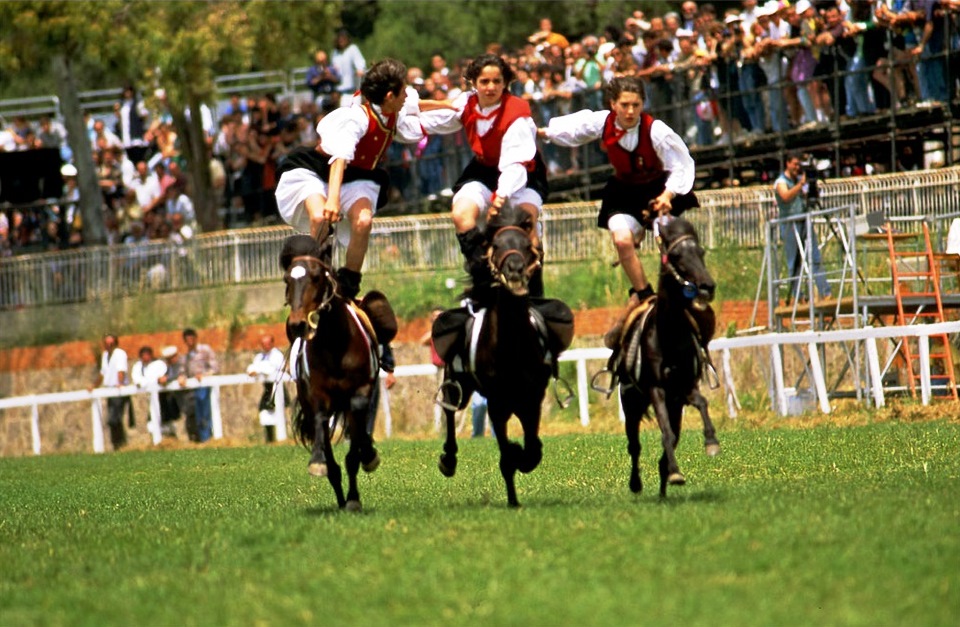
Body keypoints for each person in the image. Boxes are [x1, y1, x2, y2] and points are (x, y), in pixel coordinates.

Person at [536, 76, 698, 347]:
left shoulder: (656, 130)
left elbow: (680, 163)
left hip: (659, 190)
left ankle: (680, 293)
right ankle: (643, 294)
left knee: (668, 242)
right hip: (624, 191)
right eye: (625, 105)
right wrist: (541, 133)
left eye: (636, 104)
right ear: (613, 104)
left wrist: (668, 195)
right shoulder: (603, 122)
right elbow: (576, 129)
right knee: (622, 240)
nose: (631, 111)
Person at [275, 58, 429, 302]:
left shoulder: (394, 112)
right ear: (389, 96)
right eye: (402, 92)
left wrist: (461, 106)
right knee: (319, 217)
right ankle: (311, 279)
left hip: (358, 177)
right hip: (318, 171)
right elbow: (339, 160)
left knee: (364, 221)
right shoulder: (357, 118)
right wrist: (332, 201)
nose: (406, 97)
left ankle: (348, 286)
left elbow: (421, 106)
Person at [418, 53, 550, 304]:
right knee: (461, 214)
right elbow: (430, 122)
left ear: (505, 83)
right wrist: (394, 116)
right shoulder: (465, 104)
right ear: (473, 83)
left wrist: (501, 196)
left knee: (526, 221)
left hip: (522, 173)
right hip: (484, 170)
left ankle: (535, 297)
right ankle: (483, 280)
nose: (490, 87)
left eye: (496, 81)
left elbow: (515, 163)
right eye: (484, 81)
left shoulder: (517, 112)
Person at [774, 153, 832, 304]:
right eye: (795, 164)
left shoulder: (800, 180)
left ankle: (825, 292)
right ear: (787, 164)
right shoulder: (781, 181)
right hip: (789, 224)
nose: (797, 167)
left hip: (804, 221)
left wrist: (812, 186)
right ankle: (798, 296)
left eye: (799, 164)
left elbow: (810, 196)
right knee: (794, 262)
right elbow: (785, 196)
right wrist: (801, 185)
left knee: (815, 257)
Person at [178, 328, 219, 443]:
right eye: (187, 340)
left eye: (191, 338)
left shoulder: (205, 350)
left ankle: (207, 437)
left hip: (204, 385)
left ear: (196, 338)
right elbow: (183, 371)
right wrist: (181, 377)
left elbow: (215, 368)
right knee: (194, 413)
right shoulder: (185, 356)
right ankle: (199, 438)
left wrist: (204, 375)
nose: (190, 341)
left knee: (205, 411)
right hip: (192, 388)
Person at [91, 334, 129, 450]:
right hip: (109, 390)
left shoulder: (120, 354)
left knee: (115, 418)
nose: (108, 346)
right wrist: (94, 386)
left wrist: (120, 383)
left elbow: (121, 370)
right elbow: (103, 373)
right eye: (106, 343)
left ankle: (120, 444)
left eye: (111, 343)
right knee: (112, 419)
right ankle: (117, 445)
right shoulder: (105, 355)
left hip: (117, 390)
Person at [246, 334, 286, 443]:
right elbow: (253, 367)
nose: (266, 346)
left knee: (276, 412)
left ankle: (280, 438)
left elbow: (271, 369)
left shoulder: (277, 356)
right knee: (265, 412)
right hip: (268, 388)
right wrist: (252, 371)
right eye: (263, 344)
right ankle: (270, 438)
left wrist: (258, 370)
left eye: (268, 343)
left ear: (272, 343)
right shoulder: (259, 357)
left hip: (277, 387)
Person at [331, 29, 367, 106]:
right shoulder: (335, 53)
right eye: (339, 39)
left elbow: (360, 62)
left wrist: (360, 70)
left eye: (343, 39)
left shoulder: (352, 49)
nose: (341, 41)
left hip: (352, 91)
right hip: (339, 91)